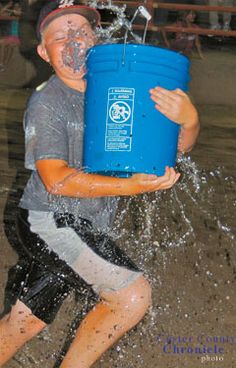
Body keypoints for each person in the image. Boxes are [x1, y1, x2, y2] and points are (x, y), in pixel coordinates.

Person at [0, 1, 200, 367]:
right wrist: (133, 187)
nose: (73, 40)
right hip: (51, 221)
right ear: (44, 52)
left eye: (81, 31)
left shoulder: (116, 89)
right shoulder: (49, 101)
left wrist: (187, 122)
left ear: (97, 38)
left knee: (23, 322)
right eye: (60, 36)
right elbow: (56, 181)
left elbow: (166, 152)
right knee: (131, 297)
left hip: (80, 224)